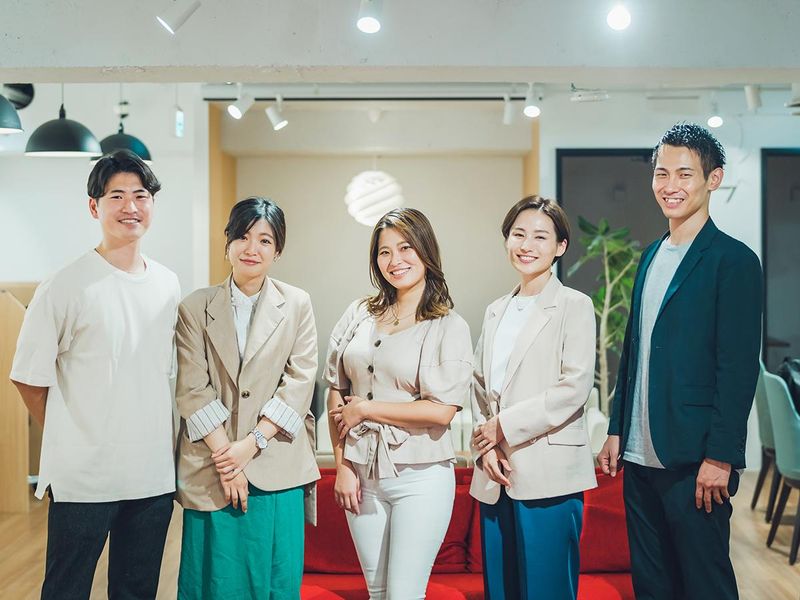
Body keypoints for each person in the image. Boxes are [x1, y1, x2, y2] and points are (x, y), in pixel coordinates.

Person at [597, 122, 763, 600]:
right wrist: (616, 427)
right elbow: (634, 351)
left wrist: (721, 457)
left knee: (706, 584)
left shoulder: (734, 261)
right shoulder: (650, 255)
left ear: (714, 179)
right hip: (638, 456)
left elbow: (737, 369)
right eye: (661, 173)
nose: (670, 185)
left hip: (695, 460)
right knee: (653, 586)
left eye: (685, 174)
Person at [10, 149, 180, 600]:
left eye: (140, 195)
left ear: (152, 204)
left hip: (152, 475)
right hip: (83, 478)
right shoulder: (65, 284)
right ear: (94, 207)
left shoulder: (167, 283)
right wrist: (72, 435)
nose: (130, 206)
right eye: (116, 196)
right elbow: (28, 377)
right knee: (66, 590)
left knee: (136, 590)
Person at [174, 197, 320, 599]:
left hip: (276, 463)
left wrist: (250, 445)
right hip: (211, 466)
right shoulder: (194, 307)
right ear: (227, 242)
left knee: (275, 580)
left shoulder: (297, 304)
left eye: (265, 240)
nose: (251, 248)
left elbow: (299, 380)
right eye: (242, 236)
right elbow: (192, 388)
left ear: (278, 250)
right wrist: (228, 458)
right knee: (212, 581)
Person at [325, 207, 472, 599]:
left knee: (404, 595)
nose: (395, 260)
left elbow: (441, 411)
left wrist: (367, 409)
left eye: (406, 247)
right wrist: (343, 466)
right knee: (377, 594)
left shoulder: (449, 326)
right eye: (384, 252)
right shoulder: (359, 313)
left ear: (425, 250)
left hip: (421, 477)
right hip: (361, 476)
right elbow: (335, 389)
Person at [470, 196, 597, 600]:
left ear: (560, 246)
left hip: (549, 471)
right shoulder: (496, 310)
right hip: (495, 471)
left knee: (548, 589)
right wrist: (487, 447)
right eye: (518, 234)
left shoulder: (575, 306)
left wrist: (501, 427)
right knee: (501, 589)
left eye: (540, 237)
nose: (526, 245)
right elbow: (478, 386)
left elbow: (574, 387)